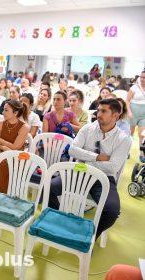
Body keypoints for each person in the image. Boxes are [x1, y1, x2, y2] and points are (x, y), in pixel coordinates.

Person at [48, 98, 132, 238]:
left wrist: (86, 159)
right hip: (79, 171)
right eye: (98, 110)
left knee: (112, 211)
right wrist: (97, 157)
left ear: (115, 115)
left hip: (103, 178)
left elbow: (113, 167)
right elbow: (72, 150)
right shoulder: (88, 128)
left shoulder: (124, 139)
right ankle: (60, 221)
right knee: (49, 187)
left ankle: (91, 236)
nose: (98, 114)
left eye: (104, 111)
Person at [126, 71, 145, 145]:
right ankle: (126, 152)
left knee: (142, 135)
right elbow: (127, 100)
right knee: (130, 134)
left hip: (143, 115)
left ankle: (141, 154)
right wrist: (129, 111)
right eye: (141, 77)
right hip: (133, 113)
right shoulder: (134, 87)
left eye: (144, 77)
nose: (142, 79)